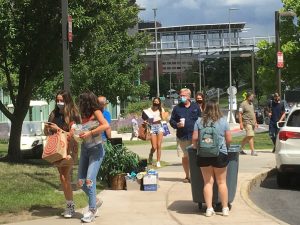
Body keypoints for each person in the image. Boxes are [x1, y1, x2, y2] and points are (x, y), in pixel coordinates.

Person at [191, 100, 232, 217]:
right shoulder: (223, 121)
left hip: (203, 154)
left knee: (207, 182)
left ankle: (209, 208)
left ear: (205, 109)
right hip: (220, 153)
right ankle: (224, 208)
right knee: (222, 182)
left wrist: (195, 147)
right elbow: (229, 139)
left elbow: (194, 138)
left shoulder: (199, 121)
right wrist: (226, 147)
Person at [44, 90, 81, 218]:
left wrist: (57, 129)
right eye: (57, 100)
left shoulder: (72, 115)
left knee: (65, 176)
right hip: (57, 150)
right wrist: (47, 129)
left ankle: (70, 207)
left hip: (69, 149)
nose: (59, 103)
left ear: (67, 101)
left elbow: (74, 135)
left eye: (62, 100)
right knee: (62, 177)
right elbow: (48, 134)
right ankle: (69, 204)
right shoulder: (54, 114)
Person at [77, 91, 110, 223]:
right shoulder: (83, 114)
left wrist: (90, 132)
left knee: (90, 180)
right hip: (85, 148)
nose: (79, 104)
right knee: (80, 182)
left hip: (96, 149)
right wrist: (77, 131)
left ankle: (92, 210)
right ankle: (95, 201)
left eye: (81, 102)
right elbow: (83, 129)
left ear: (87, 102)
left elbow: (105, 125)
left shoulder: (96, 111)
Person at [169, 88, 200, 182]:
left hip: (195, 136)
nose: (181, 97)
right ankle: (187, 176)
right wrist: (176, 124)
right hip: (182, 136)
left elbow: (201, 119)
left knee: (195, 157)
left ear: (189, 96)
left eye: (183, 95)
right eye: (180, 95)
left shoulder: (195, 107)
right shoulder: (177, 108)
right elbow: (172, 120)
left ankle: (196, 176)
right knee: (185, 157)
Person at [145, 97, 166, 167]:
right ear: (153, 102)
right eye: (155, 101)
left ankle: (158, 161)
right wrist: (146, 121)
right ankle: (151, 154)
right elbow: (145, 119)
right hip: (152, 127)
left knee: (159, 145)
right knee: (154, 147)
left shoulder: (161, 109)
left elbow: (164, 118)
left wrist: (164, 115)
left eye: (157, 102)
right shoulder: (149, 110)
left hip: (159, 127)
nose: (156, 102)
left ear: (159, 102)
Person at [239, 92, 258, 156]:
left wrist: (256, 122)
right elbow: (239, 114)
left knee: (248, 136)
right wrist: (241, 123)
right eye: (252, 97)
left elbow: (253, 113)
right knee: (250, 135)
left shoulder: (251, 104)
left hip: (252, 123)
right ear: (248, 97)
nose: (253, 98)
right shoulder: (243, 104)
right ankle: (253, 151)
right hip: (246, 122)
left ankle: (240, 149)